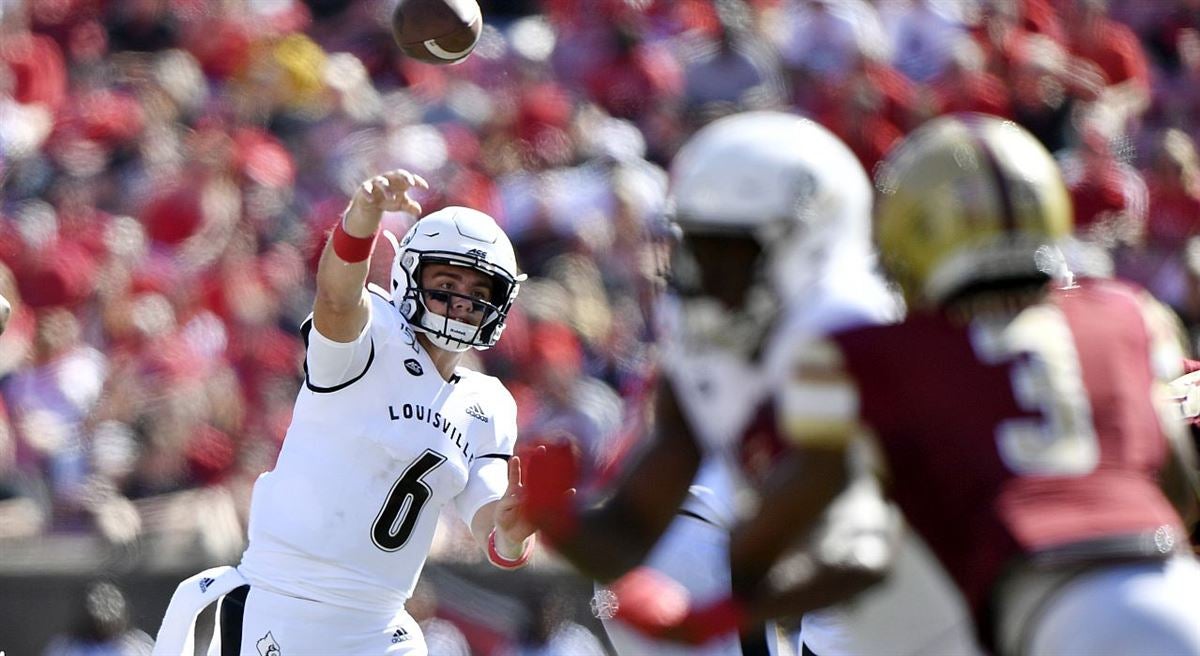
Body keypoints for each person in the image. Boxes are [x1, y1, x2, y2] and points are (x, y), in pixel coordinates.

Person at [612, 113, 1200, 656]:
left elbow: (781, 538)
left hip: (1048, 613)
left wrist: (705, 617)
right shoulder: (1123, 312)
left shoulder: (885, 359)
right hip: (1172, 590)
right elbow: (1176, 485)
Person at [519, 110, 979, 656]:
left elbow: (861, 549)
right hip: (827, 599)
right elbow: (631, 529)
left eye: (726, 248)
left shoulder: (857, 338)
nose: (700, 271)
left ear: (805, 239)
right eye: (695, 244)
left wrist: (714, 617)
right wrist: (557, 520)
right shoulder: (702, 340)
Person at [153, 170, 537, 655]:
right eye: (446, 284)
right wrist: (362, 220)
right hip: (285, 604)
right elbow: (336, 299)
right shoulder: (373, 334)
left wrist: (511, 529)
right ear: (408, 276)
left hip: (380, 628)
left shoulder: (489, 405)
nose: (462, 303)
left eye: (479, 294)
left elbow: (490, 522)